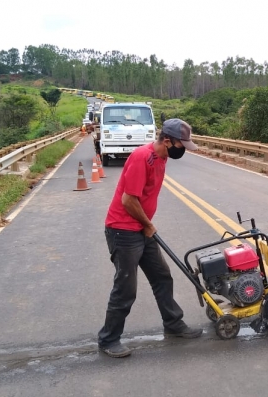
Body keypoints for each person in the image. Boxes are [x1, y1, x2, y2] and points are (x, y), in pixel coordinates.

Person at [98, 118, 201, 358]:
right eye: (181, 144)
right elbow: (128, 200)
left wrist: (145, 226)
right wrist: (147, 224)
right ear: (167, 140)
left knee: (162, 277)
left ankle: (173, 324)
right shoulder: (141, 157)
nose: (183, 149)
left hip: (141, 229)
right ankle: (108, 339)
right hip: (123, 230)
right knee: (125, 288)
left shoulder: (162, 157)